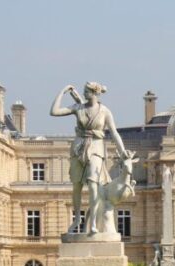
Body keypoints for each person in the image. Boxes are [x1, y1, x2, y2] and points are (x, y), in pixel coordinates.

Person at [50, 82, 131, 235]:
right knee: (77, 187)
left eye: (86, 91)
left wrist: (122, 151)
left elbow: (114, 132)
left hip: (96, 148)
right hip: (78, 148)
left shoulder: (104, 111)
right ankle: (77, 219)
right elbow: (54, 112)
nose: (84, 93)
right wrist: (63, 91)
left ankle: (93, 222)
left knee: (94, 186)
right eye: (84, 91)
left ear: (95, 93)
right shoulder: (78, 108)